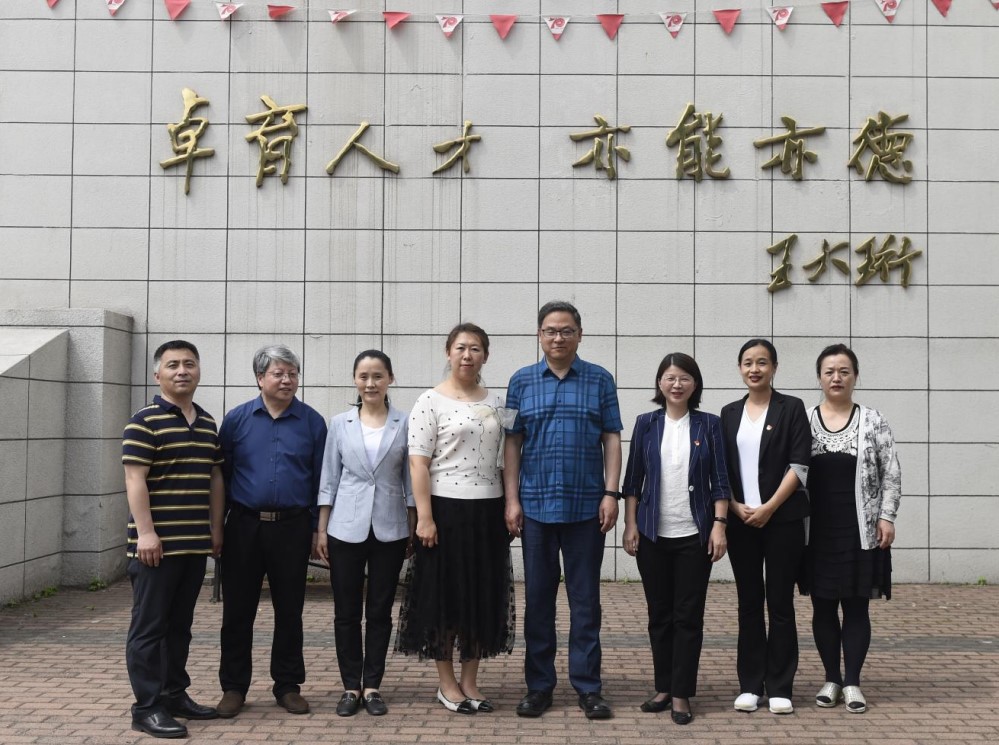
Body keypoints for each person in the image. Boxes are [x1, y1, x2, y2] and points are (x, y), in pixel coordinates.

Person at [504, 301, 623, 720]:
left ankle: (588, 687)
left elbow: (611, 438)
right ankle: (539, 687)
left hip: (586, 508)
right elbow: (512, 443)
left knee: (585, 602)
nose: (558, 337)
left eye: (567, 330)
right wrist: (512, 499)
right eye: (551, 331)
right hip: (535, 508)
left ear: (579, 334)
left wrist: (611, 493)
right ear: (539, 335)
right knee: (538, 601)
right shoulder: (520, 381)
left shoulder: (600, 379)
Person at [396, 323, 514, 715]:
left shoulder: (499, 403)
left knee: (482, 597)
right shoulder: (429, 401)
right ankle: (447, 684)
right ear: (448, 352)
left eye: (475, 348)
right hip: (444, 511)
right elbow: (418, 462)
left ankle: (470, 682)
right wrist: (424, 517)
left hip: (488, 511)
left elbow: (507, 457)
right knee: (444, 598)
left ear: (486, 356)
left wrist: (509, 504)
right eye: (461, 347)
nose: (467, 355)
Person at [215, 345, 327, 718]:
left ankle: (288, 685)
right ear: (260, 378)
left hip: (293, 527)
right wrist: (219, 527)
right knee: (237, 610)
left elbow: (321, 480)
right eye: (278, 373)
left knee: (290, 610)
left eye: (292, 373)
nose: (287, 380)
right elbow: (223, 475)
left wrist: (317, 528)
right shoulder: (236, 420)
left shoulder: (312, 422)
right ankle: (234, 687)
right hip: (244, 525)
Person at [621, 353, 731, 726]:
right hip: (652, 534)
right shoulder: (646, 423)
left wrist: (719, 524)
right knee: (659, 616)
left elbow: (720, 480)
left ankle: (681, 692)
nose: (677, 384)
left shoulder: (709, 424)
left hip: (694, 535)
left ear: (695, 384)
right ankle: (663, 687)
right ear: (660, 383)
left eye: (684, 377)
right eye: (670, 377)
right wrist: (630, 524)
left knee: (688, 617)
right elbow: (632, 480)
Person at [122, 340, 224, 739]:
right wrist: (146, 533)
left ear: (198, 371)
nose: (182, 371)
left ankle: (174, 695)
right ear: (157, 375)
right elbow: (134, 480)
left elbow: (215, 477)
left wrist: (216, 529)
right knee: (149, 629)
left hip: (193, 544)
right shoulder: (143, 422)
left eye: (189, 364)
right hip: (155, 548)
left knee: (180, 627)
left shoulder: (208, 423)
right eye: (173, 365)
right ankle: (146, 708)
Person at [316, 350, 415, 717]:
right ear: (355, 380)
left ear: (390, 378)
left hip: (391, 527)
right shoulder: (339, 423)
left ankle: (372, 685)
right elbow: (329, 478)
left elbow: (410, 479)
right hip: (344, 527)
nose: (370, 383)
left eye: (378, 376)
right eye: (364, 376)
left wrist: (413, 524)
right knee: (345, 611)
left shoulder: (405, 422)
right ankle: (350, 686)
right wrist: (322, 528)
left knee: (379, 611)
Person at [805, 344, 900, 714]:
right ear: (819, 377)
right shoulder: (805, 420)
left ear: (855, 377)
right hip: (817, 532)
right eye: (829, 371)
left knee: (857, 607)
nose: (836, 378)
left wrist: (887, 517)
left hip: (861, 530)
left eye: (844, 371)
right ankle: (831, 678)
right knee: (823, 606)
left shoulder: (873, 420)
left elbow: (891, 473)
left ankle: (853, 682)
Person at [720, 338, 810, 715]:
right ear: (740, 368)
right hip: (741, 521)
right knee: (749, 602)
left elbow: (800, 466)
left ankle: (780, 686)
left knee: (780, 602)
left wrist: (770, 507)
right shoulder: (728, 413)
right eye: (747, 363)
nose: (754, 369)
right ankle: (750, 685)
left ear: (774, 367)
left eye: (761, 362)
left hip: (782, 520)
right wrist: (735, 506)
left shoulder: (792, 408)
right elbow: (721, 468)